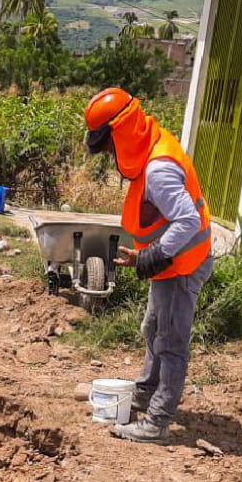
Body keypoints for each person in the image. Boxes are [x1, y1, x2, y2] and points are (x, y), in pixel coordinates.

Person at [84, 87, 215, 444]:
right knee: (151, 326)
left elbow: (187, 220)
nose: (109, 154)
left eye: (108, 146)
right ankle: (144, 393)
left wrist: (153, 256)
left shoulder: (158, 169)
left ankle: (157, 421)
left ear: (119, 132)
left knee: (170, 342)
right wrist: (147, 257)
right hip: (170, 262)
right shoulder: (151, 143)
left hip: (182, 264)